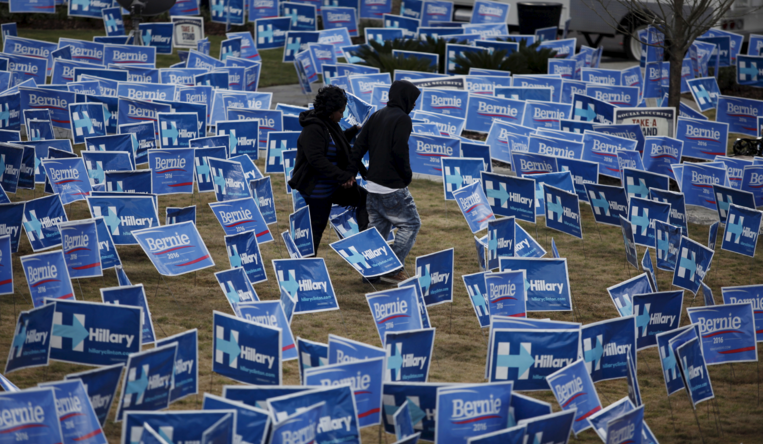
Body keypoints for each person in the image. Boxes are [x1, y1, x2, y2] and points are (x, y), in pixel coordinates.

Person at [349, 80, 421, 284]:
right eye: (413, 100)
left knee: (377, 233)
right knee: (411, 224)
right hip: (392, 188)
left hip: (372, 187)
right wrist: (406, 176)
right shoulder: (403, 119)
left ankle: (370, 273)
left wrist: (352, 172)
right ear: (404, 98)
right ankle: (391, 268)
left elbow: (358, 146)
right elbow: (400, 151)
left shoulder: (377, 115)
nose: (414, 105)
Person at [288, 85, 368, 254]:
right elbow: (317, 160)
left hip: (333, 183)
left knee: (365, 199)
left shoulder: (329, 124)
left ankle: (366, 246)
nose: (343, 115)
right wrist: (343, 177)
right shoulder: (313, 128)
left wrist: (354, 131)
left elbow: (336, 143)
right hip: (317, 187)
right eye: (340, 111)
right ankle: (306, 267)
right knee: (316, 229)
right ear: (330, 110)